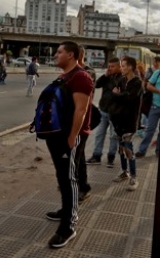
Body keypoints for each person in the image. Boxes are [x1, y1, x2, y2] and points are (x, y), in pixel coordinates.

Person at [44, 41, 93, 249]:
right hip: (57, 136)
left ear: (71, 55)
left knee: (69, 179)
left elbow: (81, 111)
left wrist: (72, 138)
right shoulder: (65, 76)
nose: (56, 55)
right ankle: (65, 211)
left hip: (69, 138)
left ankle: (69, 227)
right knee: (62, 177)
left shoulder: (81, 77)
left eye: (60, 52)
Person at [109, 56, 143, 191]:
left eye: (123, 66)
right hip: (119, 120)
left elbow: (129, 98)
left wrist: (118, 95)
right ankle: (124, 172)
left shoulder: (137, 83)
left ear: (130, 67)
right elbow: (114, 95)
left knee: (128, 149)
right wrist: (118, 95)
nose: (121, 68)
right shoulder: (122, 80)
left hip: (130, 121)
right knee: (121, 149)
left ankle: (134, 177)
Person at [87, 57, 122, 167]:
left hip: (115, 113)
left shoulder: (122, 78)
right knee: (99, 134)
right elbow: (96, 85)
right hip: (104, 110)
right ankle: (96, 156)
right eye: (109, 66)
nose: (110, 68)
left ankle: (111, 157)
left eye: (113, 66)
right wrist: (105, 75)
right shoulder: (107, 76)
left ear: (119, 67)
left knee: (113, 136)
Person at [75, 45, 94, 203]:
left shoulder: (86, 73)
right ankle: (83, 187)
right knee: (79, 157)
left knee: (75, 159)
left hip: (80, 125)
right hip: (74, 124)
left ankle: (77, 191)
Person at [136, 65, 160, 158]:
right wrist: (159, 91)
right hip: (155, 106)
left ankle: (159, 151)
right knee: (150, 129)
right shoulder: (159, 72)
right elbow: (148, 85)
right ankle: (142, 150)